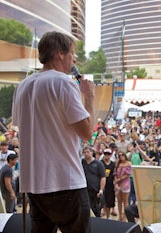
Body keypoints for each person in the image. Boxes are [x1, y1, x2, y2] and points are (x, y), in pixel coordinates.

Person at [12, 31, 95, 232]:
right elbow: (86, 133)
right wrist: (90, 97)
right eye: (72, 53)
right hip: (64, 181)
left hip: (33, 183)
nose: (74, 59)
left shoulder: (23, 86)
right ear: (59, 54)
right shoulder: (63, 82)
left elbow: (18, 124)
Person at [81, 146, 106, 217]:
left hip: (95, 190)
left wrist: (101, 190)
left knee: (96, 210)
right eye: (84, 152)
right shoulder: (82, 162)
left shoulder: (98, 163)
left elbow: (103, 177)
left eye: (88, 152)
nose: (86, 154)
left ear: (92, 152)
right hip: (85, 190)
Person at [114, 152, 132, 221]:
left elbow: (128, 174)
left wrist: (119, 179)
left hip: (125, 184)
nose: (121, 156)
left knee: (125, 201)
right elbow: (115, 172)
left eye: (122, 155)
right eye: (119, 155)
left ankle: (125, 215)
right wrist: (116, 181)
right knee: (119, 201)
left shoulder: (128, 163)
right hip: (118, 184)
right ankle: (120, 215)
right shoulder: (118, 163)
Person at [100, 148, 116, 219]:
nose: (107, 155)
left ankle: (108, 216)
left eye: (108, 154)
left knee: (109, 201)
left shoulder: (113, 164)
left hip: (110, 185)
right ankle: (103, 212)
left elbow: (115, 175)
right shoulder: (100, 163)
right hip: (101, 184)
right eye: (105, 154)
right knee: (102, 200)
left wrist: (115, 184)